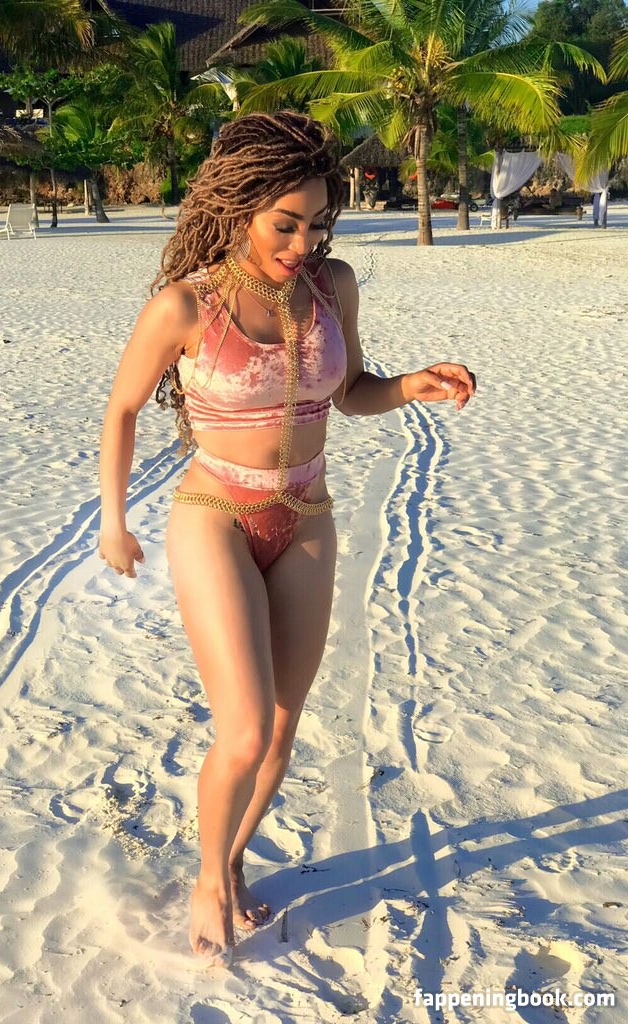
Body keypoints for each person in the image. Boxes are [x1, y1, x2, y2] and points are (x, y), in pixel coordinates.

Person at [98, 111, 477, 969]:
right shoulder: (185, 305)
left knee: (278, 730)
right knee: (239, 732)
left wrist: (410, 385)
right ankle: (206, 882)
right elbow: (122, 408)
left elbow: (353, 392)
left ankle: (230, 859)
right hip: (215, 515)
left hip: (307, 517)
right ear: (240, 208)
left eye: (317, 223)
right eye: (285, 224)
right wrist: (112, 521)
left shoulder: (332, 285)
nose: (303, 243)